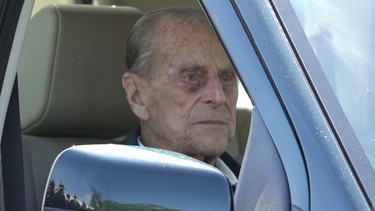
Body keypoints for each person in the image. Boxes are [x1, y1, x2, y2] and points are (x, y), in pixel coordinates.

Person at [121, 7, 240, 184]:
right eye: (191, 77)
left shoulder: (268, 188)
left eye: (226, 78)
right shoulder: (94, 190)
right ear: (137, 96)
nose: (218, 97)